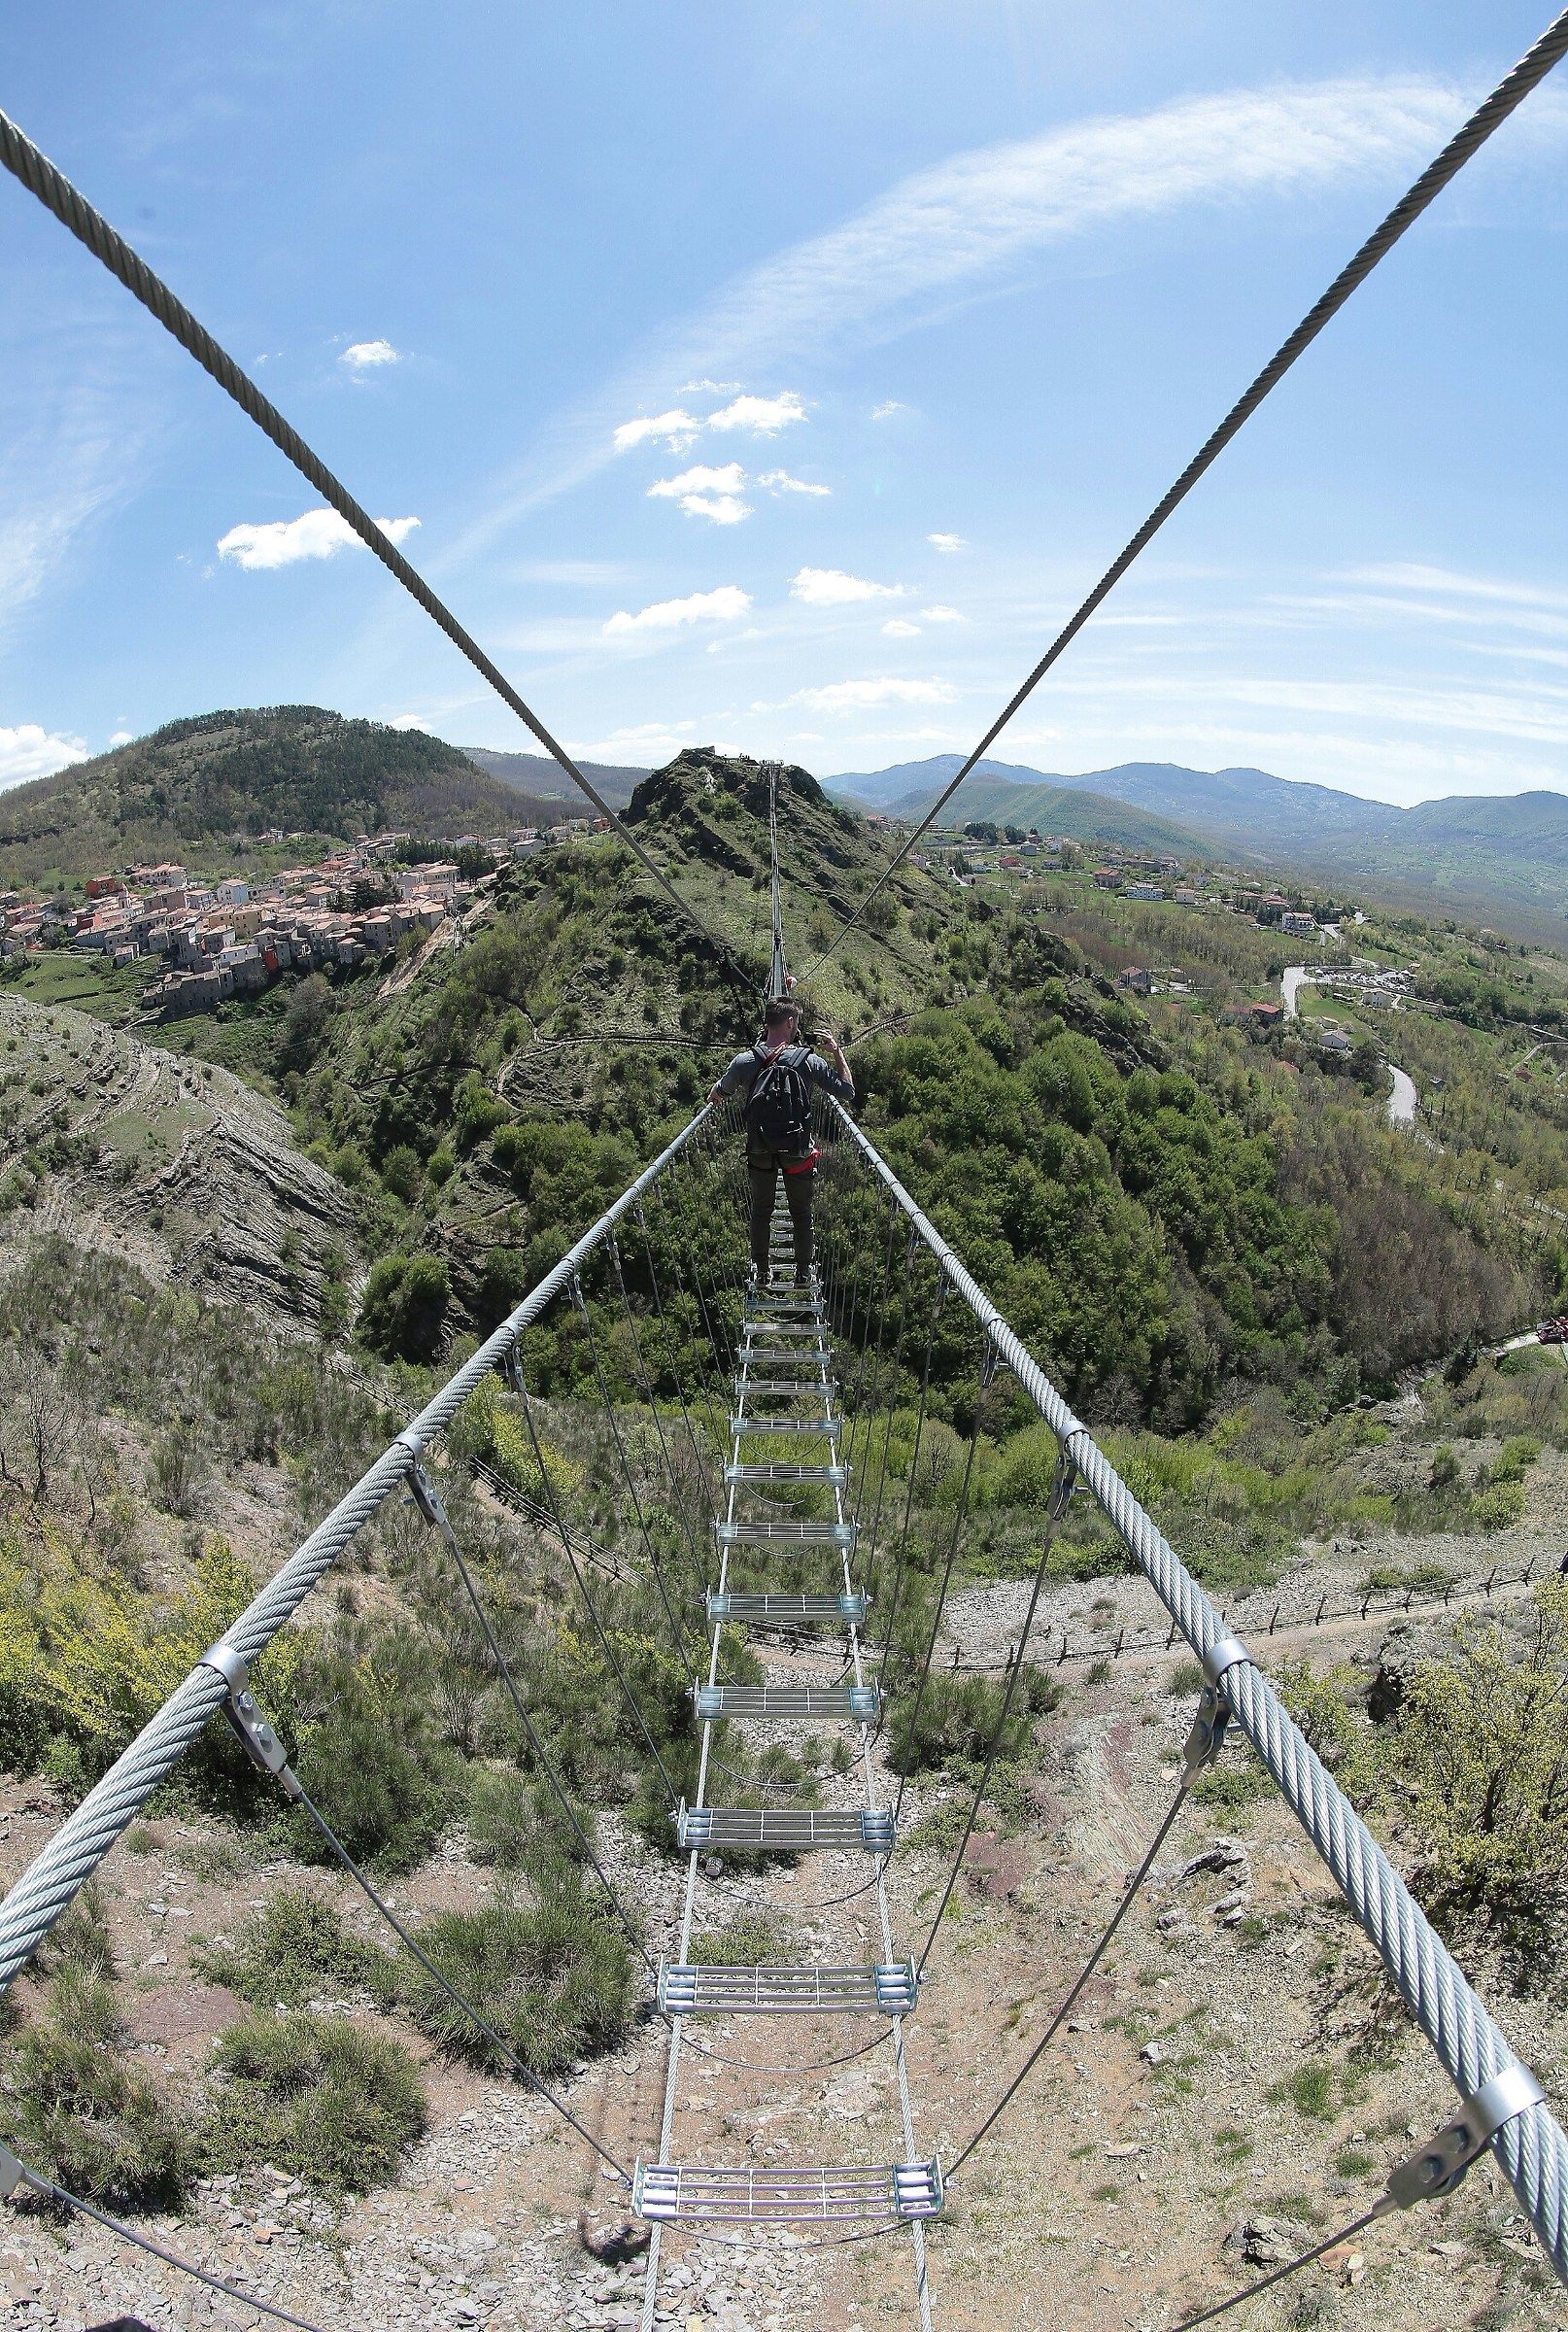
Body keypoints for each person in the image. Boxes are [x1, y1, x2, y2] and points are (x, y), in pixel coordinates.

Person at [707, 998, 855, 1286]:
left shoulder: (745, 1061)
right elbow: (847, 1091)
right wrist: (836, 1051)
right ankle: (802, 1272)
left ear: (766, 1024)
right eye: (796, 1023)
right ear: (790, 1023)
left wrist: (714, 1095)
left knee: (762, 1211)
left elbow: (719, 1093)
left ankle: (762, 1271)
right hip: (797, 1151)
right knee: (801, 1212)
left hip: (759, 1150)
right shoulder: (809, 1060)